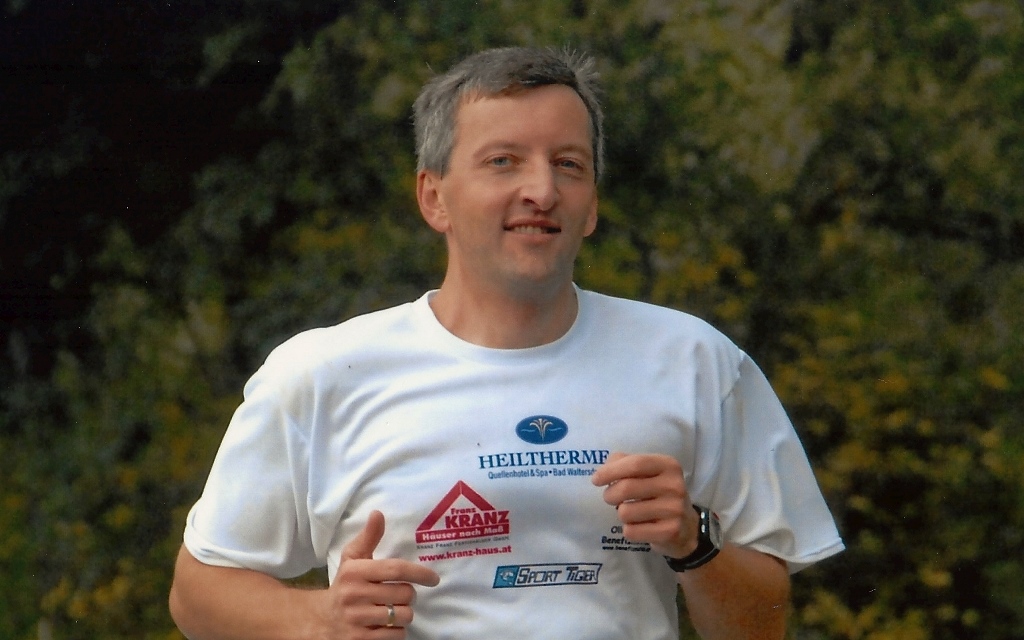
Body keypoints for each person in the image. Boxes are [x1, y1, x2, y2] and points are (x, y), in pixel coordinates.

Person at [168, 46, 844, 640]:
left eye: (569, 165)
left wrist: (694, 544)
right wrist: (322, 620)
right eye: (503, 162)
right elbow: (197, 595)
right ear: (434, 198)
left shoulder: (697, 362)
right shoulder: (324, 373)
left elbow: (761, 628)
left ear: (592, 205)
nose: (542, 190)